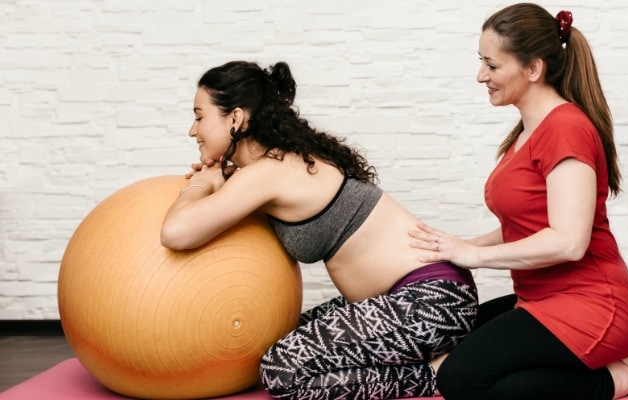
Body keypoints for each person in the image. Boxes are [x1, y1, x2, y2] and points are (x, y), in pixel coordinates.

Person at [159, 60, 478, 399]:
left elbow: (176, 233)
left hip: (429, 305)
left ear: (235, 118)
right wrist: (221, 181)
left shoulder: (268, 172)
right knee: (270, 337)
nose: (193, 131)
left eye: (198, 116)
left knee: (281, 368)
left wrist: (199, 185)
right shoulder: (281, 163)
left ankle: (436, 373)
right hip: (421, 299)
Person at [408, 3, 628, 400]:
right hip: (542, 296)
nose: (481, 76)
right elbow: (527, 221)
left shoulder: (565, 130)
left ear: (533, 69)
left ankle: (612, 381)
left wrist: (472, 257)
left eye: (492, 65)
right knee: (450, 337)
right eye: (481, 62)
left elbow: (568, 241)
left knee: (460, 380)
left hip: (594, 305)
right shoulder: (528, 129)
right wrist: (460, 246)